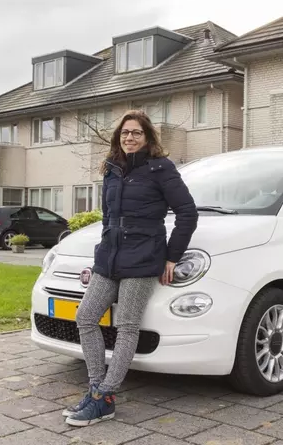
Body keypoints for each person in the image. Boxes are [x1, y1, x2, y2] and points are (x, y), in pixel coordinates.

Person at [64, 110, 198, 427]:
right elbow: (108, 216)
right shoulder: (111, 169)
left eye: (136, 132)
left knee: (126, 325)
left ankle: (104, 398)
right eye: (125, 133)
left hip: (143, 256)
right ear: (118, 137)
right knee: (85, 317)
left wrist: (171, 257)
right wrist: (102, 248)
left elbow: (187, 213)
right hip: (109, 256)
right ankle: (97, 389)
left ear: (148, 137)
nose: (130, 138)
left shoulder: (161, 168)